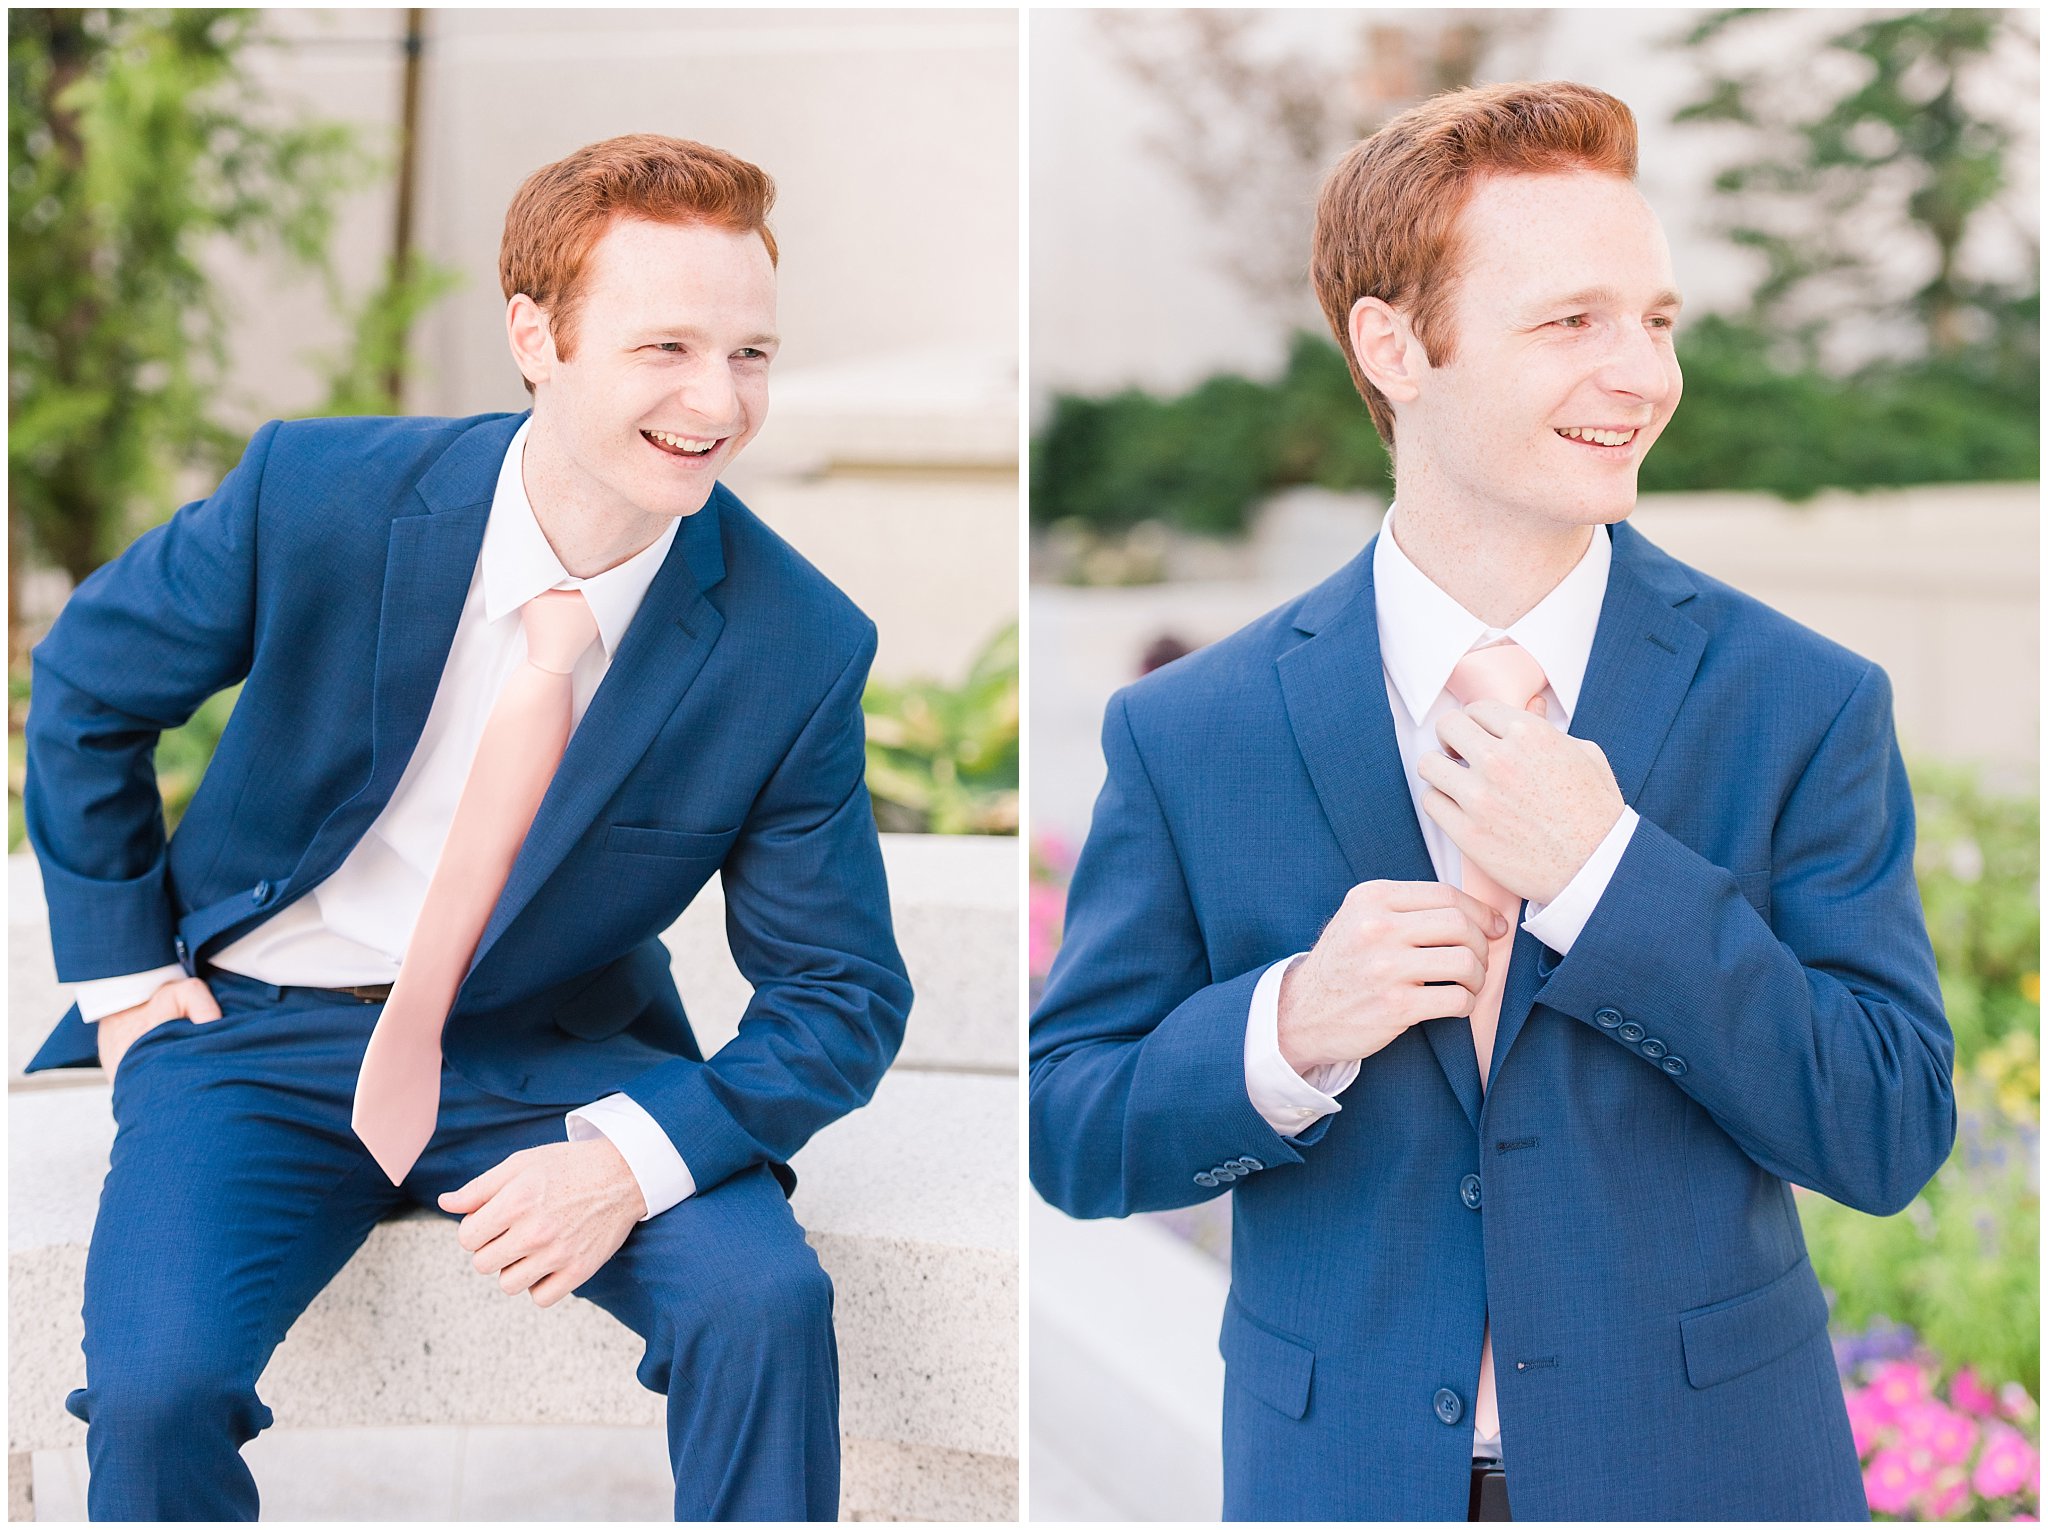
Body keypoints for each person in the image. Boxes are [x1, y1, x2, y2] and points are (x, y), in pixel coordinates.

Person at [1029, 81, 1953, 1522]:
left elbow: (1889, 1131)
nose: (1642, 375)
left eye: (1656, 320)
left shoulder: (1805, 700)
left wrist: (1607, 880)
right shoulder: (1191, 728)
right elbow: (1072, 1128)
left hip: (1710, 1481)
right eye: (1571, 320)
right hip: (1334, 1482)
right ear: (1394, 346)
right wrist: (1289, 1027)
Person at [24, 132, 911, 1522]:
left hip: (553, 1048)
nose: (715, 402)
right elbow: (87, 682)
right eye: (663, 346)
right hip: (256, 1033)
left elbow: (841, 993)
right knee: (154, 1395)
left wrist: (626, 1157)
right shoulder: (315, 496)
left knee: (765, 1301)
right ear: (534, 336)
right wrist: (127, 983)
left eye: (750, 355)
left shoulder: (795, 642)